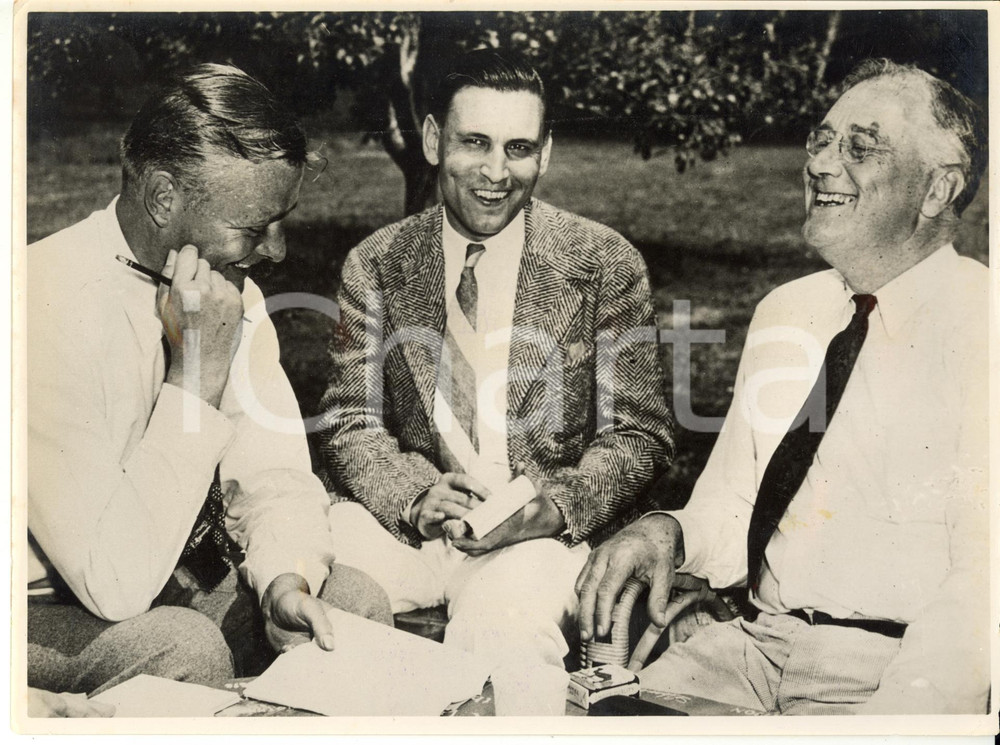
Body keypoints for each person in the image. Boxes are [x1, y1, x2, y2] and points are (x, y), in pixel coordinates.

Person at [576, 58, 989, 715]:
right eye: (821, 140)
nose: (823, 164)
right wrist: (672, 531)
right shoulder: (787, 312)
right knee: (574, 718)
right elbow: (739, 503)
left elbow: (982, 591)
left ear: (939, 189)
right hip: (750, 650)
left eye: (860, 146)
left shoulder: (982, 327)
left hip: (894, 672)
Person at [26, 63, 392, 698]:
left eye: (283, 220)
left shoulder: (228, 292)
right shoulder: (38, 301)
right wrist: (196, 376)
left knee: (353, 606)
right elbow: (113, 583)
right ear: (163, 197)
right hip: (40, 606)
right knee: (178, 647)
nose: (276, 252)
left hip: (171, 583)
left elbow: (275, 480)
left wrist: (286, 578)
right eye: (253, 228)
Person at [317, 49, 673, 669]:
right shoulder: (377, 262)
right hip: (413, 532)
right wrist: (415, 497)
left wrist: (555, 504)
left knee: (501, 628)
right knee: (318, 588)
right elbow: (351, 424)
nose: (494, 172)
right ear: (432, 140)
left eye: (518, 148)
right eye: (474, 143)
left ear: (547, 153)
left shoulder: (604, 263)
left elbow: (640, 435)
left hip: (537, 541)